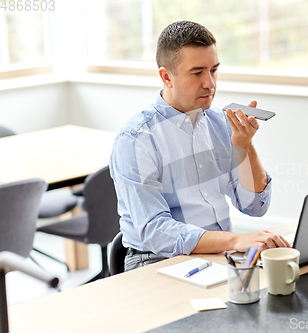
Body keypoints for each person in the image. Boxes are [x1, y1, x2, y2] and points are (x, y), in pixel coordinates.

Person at [110, 20, 290, 271]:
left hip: (218, 253)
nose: (210, 83)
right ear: (166, 76)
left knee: (284, 282)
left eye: (214, 70)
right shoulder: (137, 139)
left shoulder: (220, 123)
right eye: (197, 73)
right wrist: (236, 240)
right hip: (157, 259)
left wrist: (244, 146)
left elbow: (255, 207)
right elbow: (155, 231)